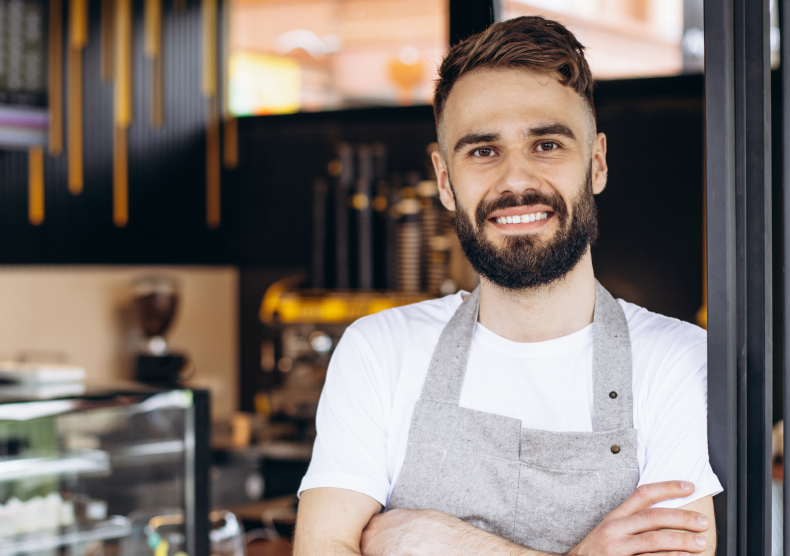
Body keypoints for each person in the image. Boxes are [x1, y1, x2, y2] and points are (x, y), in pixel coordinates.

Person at [294, 15, 721, 556]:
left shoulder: (678, 360)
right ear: (446, 181)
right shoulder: (379, 350)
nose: (516, 180)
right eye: (483, 151)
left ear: (596, 164)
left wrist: (434, 539)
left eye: (547, 145)